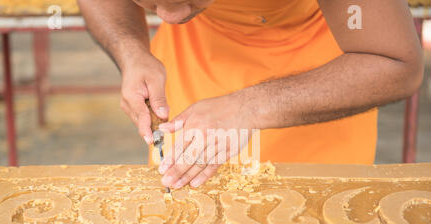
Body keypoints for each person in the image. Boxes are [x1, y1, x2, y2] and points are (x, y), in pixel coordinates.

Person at [78, 0, 423, 189]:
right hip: (193, 63)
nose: (171, 16)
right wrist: (132, 51)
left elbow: (397, 63)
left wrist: (250, 107)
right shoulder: (177, 13)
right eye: (152, 2)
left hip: (318, 80)